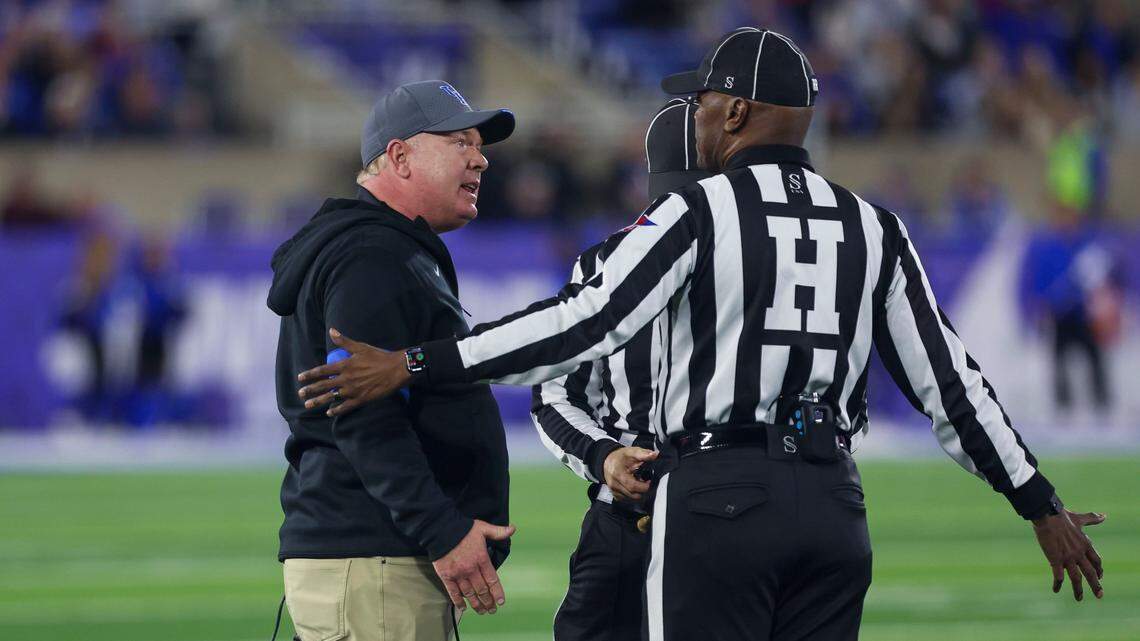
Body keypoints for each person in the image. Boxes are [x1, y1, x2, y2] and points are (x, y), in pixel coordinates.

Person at [296, 29, 1106, 641]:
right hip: (836, 503)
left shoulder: (699, 210)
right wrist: (1037, 501)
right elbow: (951, 386)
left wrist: (415, 362)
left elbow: (586, 323)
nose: (703, 121)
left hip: (717, 496)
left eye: (711, 105)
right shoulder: (874, 225)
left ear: (739, 111)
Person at [267, 80, 516, 641]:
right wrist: (442, 530)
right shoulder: (372, 256)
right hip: (374, 562)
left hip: (376, 560)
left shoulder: (388, 250)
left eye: (480, 145)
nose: (480, 159)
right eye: (459, 142)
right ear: (399, 156)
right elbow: (361, 412)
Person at [533, 97, 710, 641]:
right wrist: (602, 455)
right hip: (628, 520)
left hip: (725, 518)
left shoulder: (769, 266)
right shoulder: (601, 264)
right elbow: (554, 394)